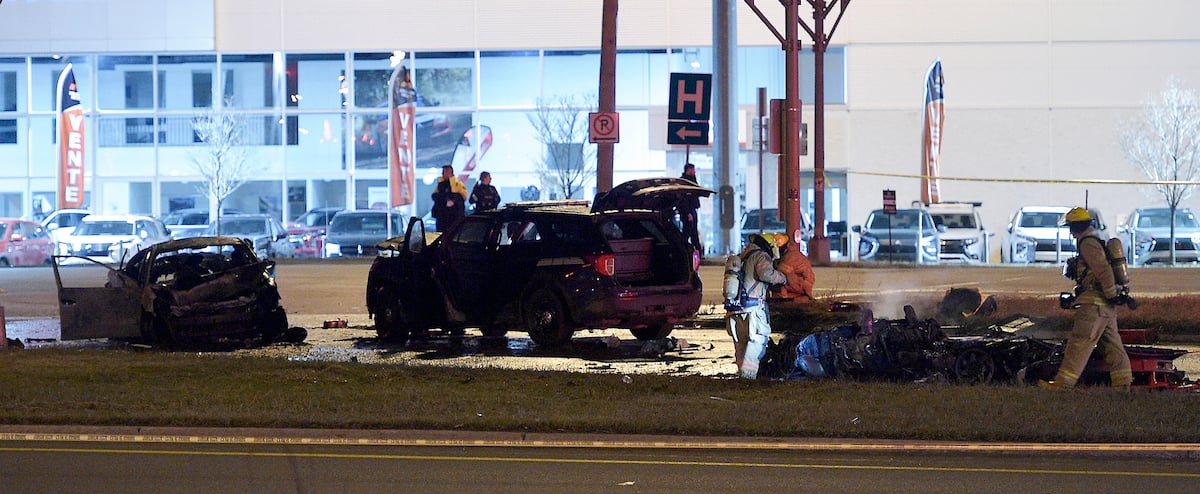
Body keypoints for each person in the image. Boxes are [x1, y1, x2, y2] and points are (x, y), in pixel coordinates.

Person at [1042, 207, 1132, 390]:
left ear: (1076, 227)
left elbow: (1103, 270)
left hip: (1093, 306)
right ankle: (1123, 386)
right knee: (1114, 348)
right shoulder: (1094, 239)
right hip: (1105, 307)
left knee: (1079, 345)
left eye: (1071, 227)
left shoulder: (1087, 243)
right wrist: (1112, 296)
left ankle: (1062, 385)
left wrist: (1111, 293)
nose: (1070, 232)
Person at [726, 233, 789, 379]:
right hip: (753, 310)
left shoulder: (741, 256)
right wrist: (783, 278)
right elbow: (766, 274)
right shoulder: (761, 256)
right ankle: (748, 378)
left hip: (734, 311)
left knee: (741, 344)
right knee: (758, 342)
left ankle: (743, 376)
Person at [676, 163, 703, 255]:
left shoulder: (692, 181)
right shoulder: (683, 182)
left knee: (694, 232)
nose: (694, 172)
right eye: (693, 170)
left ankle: (698, 253)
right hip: (688, 211)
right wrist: (687, 213)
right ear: (689, 170)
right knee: (687, 232)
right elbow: (683, 201)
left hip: (692, 209)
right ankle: (683, 251)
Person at [430, 165, 467, 232]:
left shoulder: (458, 184)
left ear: (450, 172)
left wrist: (453, 200)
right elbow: (435, 196)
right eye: (443, 172)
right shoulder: (440, 184)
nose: (443, 174)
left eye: (445, 172)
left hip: (455, 217)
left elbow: (463, 197)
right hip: (442, 216)